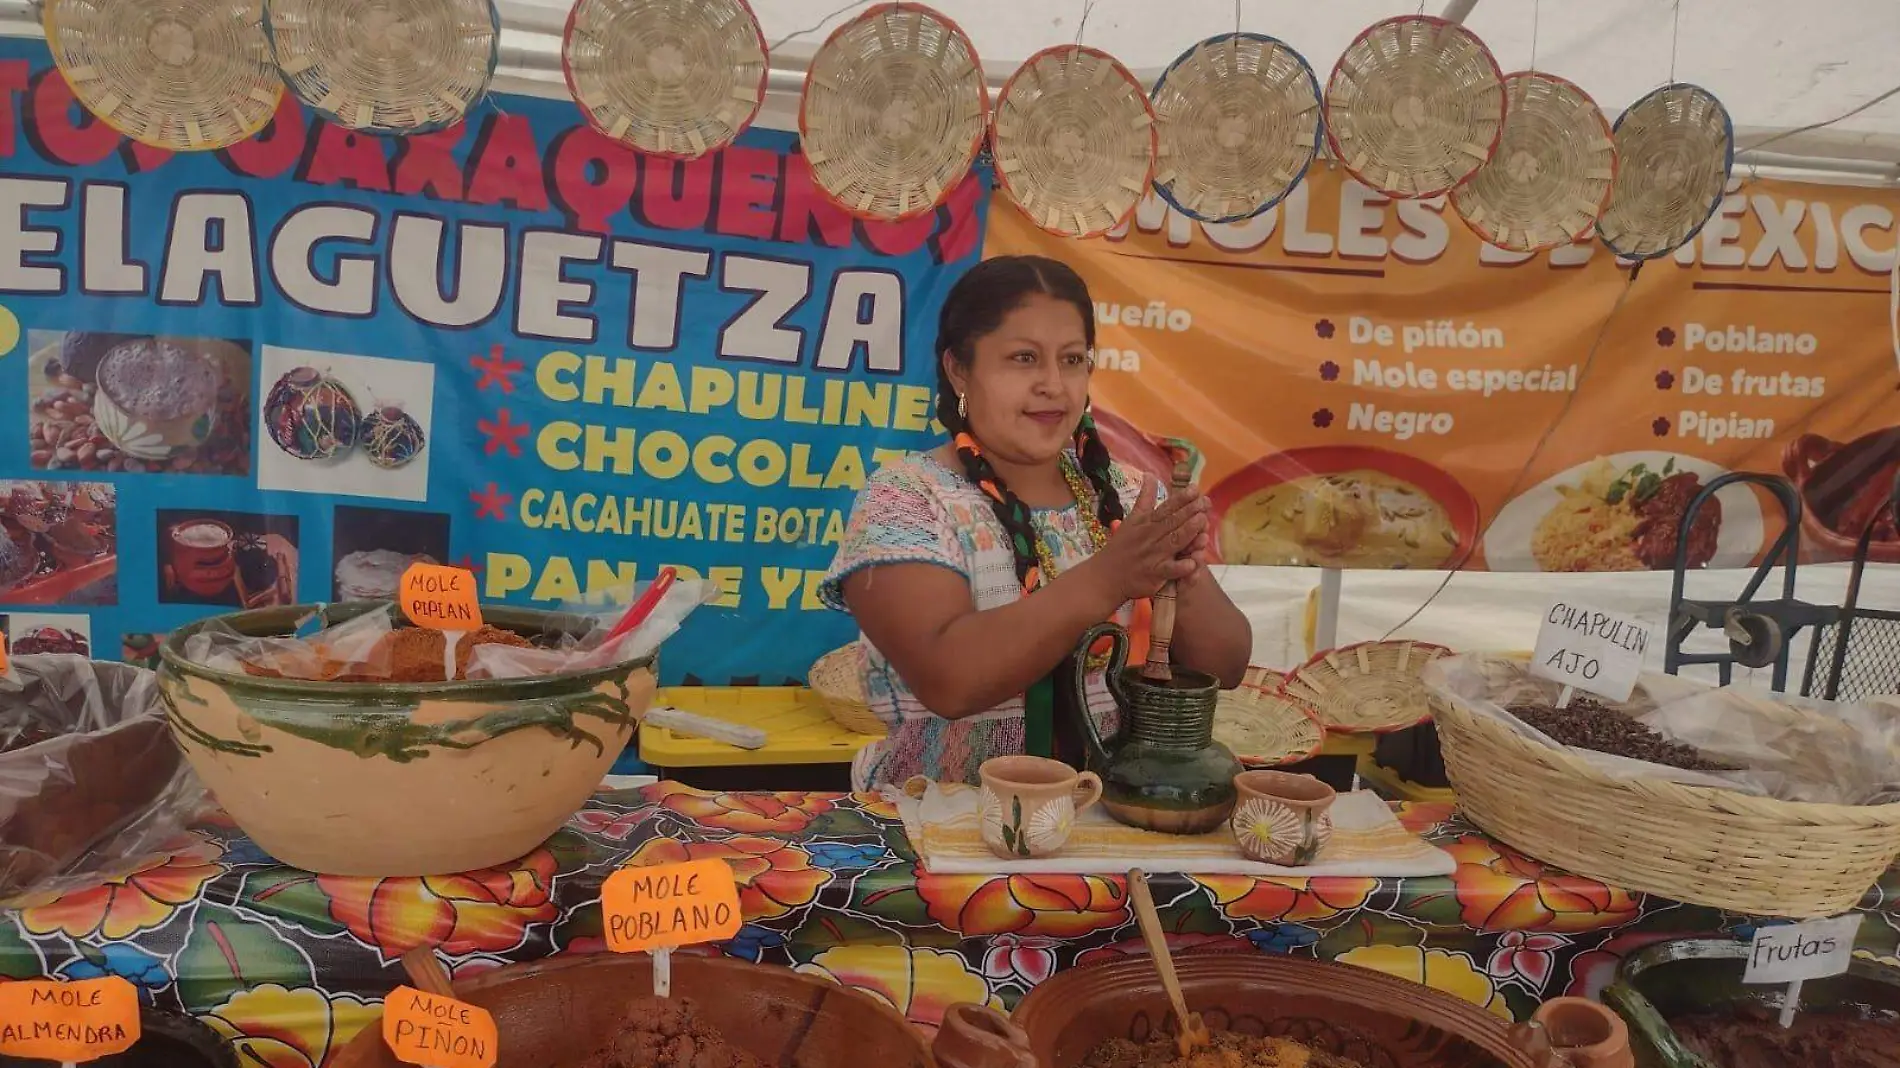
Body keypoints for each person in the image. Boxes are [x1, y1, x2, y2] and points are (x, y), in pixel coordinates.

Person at [820, 255, 1252, 789]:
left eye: (1072, 360)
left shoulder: (1131, 495)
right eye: (1024, 358)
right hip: (941, 821)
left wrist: (1179, 570)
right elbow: (950, 681)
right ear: (959, 368)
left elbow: (1226, 667)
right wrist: (1111, 576)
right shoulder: (907, 499)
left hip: (1109, 818)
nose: (1053, 383)